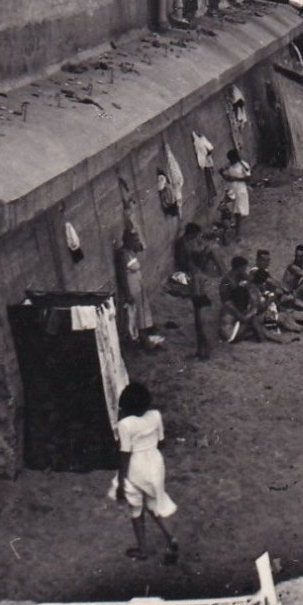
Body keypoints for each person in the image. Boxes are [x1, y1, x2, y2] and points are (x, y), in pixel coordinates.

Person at [115, 382, 179, 565]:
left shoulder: (124, 425)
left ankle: (143, 549)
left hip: (136, 469)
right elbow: (162, 442)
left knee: (136, 509)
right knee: (154, 504)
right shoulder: (155, 415)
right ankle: (171, 538)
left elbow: (124, 455)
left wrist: (121, 483)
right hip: (155, 464)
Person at [174, 222, 223, 360]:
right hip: (200, 287)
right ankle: (204, 351)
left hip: (197, 287)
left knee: (199, 322)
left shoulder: (187, 244)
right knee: (201, 322)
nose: (198, 239)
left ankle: (202, 351)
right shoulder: (193, 247)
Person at [220, 255, 290, 343]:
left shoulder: (240, 275)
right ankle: (266, 338)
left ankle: (271, 336)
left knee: (258, 316)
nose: (245, 270)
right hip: (235, 309)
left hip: (238, 306)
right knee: (255, 318)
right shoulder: (228, 281)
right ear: (239, 268)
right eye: (244, 268)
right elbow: (233, 295)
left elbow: (250, 283)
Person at [220, 150, 252, 239]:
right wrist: (225, 177)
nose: (231, 161)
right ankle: (230, 228)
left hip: (240, 189)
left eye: (232, 159)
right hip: (231, 189)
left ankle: (238, 233)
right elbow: (221, 171)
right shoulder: (229, 164)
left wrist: (235, 178)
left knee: (239, 211)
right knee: (230, 210)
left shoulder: (243, 165)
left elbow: (248, 178)